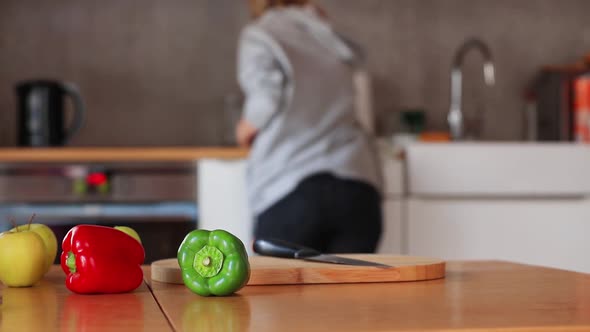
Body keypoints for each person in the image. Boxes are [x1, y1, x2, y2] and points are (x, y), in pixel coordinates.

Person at [236, 0, 383, 253]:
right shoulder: (328, 34)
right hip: (356, 187)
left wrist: (245, 128)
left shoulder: (260, 35)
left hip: (290, 187)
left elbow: (265, 99)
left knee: (279, 290)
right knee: (352, 291)